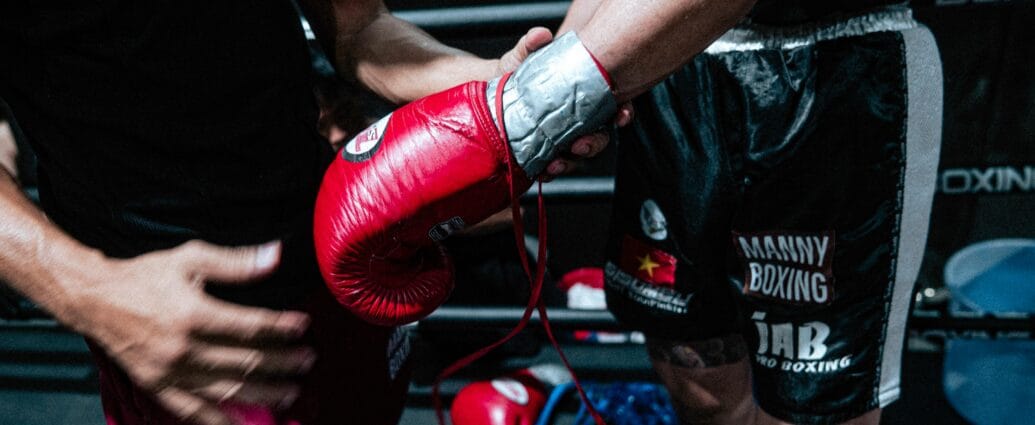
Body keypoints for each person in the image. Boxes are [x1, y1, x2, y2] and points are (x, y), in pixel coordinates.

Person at [0, 1, 612, 424]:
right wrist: (88, 293)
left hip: (330, 247)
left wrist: (490, 90)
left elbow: (362, 29)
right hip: (169, 308)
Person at [559, 0, 943, 424]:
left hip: (838, 58)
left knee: (813, 407)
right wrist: (559, 69)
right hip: (666, 57)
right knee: (700, 391)